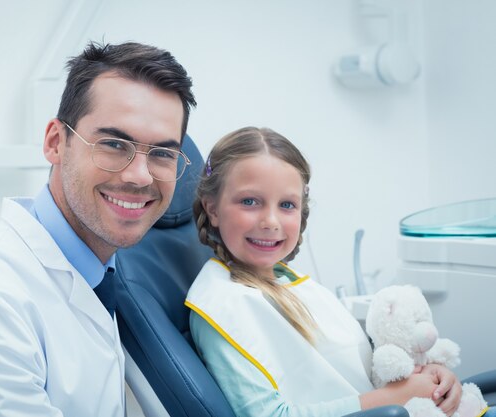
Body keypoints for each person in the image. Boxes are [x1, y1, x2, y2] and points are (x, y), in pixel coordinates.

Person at [0, 41, 196, 417]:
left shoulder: (101, 272)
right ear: (55, 143)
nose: (139, 175)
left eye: (163, 153)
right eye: (114, 144)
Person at [185, 126, 468, 417]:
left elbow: (358, 371)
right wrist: (394, 397)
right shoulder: (220, 307)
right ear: (213, 209)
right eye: (249, 201)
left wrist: (429, 377)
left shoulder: (293, 284)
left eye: (286, 205)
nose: (270, 221)